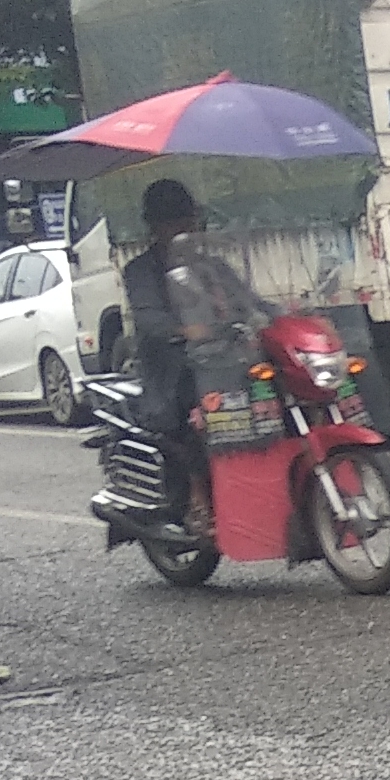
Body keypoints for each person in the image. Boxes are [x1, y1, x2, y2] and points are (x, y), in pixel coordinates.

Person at [120, 178, 261, 536]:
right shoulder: (140, 271)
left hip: (224, 357)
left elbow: (248, 301)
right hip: (171, 367)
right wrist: (184, 331)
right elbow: (148, 317)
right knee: (199, 412)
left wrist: (284, 314)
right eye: (173, 222)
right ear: (154, 226)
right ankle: (199, 496)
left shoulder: (213, 266)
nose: (182, 229)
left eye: (187, 221)